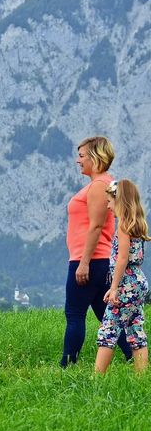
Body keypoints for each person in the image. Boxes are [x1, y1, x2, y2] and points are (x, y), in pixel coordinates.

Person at [61, 136, 132, 367]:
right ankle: (135, 358)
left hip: (90, 260)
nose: (77, 161)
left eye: (81, 156)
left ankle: (67, 365)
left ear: (95, 157)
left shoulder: (99, 185)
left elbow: (96, 225)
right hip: (98, 260)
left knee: (74, 314)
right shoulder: (103, 184)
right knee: (107, 316)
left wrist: (83, 263)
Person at [95, 179, 150, 374]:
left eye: (110, 201)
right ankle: (142, 376)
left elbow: (122, 258)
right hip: (138, 282)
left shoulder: (123, 226)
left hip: (126, 284)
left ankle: (96, 378)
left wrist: (114, 287)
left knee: (108, 328)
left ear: (120, 201)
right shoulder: (136, 224)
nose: (108, 206)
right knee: (135, 330)